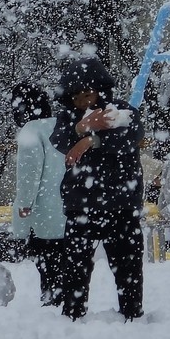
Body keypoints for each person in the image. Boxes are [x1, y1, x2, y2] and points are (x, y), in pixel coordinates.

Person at [50, 56, 146, 322]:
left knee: (127, 266)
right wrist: (82, 127)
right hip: (81, 205)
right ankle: (72, 314)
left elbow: (130, 137)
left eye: (88, 93)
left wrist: (91, 140)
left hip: (121, 204)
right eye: (77, 95)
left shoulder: (121, 111)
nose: (84, 100)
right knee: (75, 267)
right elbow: (58, 139)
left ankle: (132, 314)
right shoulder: (68, 118)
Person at [9, 84, 64, 306]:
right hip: (71, 209)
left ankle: (52, 302)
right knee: (69, 264)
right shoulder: (60, 125)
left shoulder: (31, 131)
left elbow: (29, 174)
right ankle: (70, 302)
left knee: (48, 265)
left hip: (46, 213)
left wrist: (24, 204)